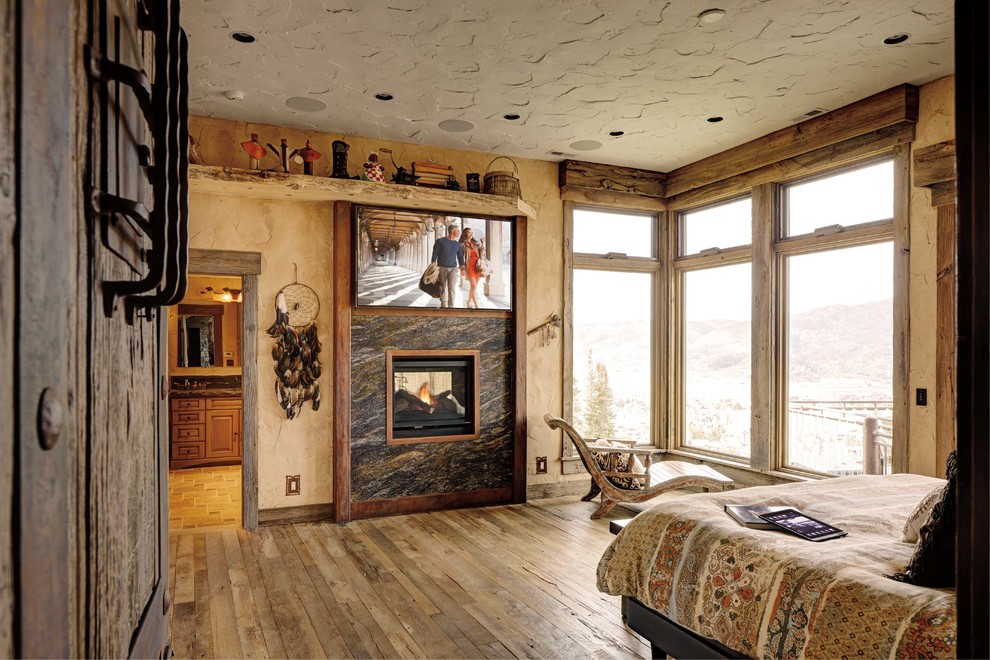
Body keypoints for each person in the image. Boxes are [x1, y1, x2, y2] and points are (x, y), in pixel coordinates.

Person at [430, 224, 464, 308]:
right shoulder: (440, 241)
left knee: (452, 287)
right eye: (457, 230)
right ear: (452, 231)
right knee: (442, 286)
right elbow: (435, 253)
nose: (459, 232)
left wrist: (462, 268)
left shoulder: (458, 245)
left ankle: (451, 305)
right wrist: (433, 263)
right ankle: (443, 302)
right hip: (442, 267)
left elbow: (460, 256)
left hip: (453, 268)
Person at [460, 227, 486, 309]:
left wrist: (482, 243)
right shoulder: (462, 244)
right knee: (473, 286)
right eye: (469, 232)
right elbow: (460, 257)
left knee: (473, 287)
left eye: (472, 232)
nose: (471, 234)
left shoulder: (475, 243)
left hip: (477, 266)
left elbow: (481, 254)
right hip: (469, 265)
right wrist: (462, 268)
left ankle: (468, 302)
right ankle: (476, 305)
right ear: (465, 234)